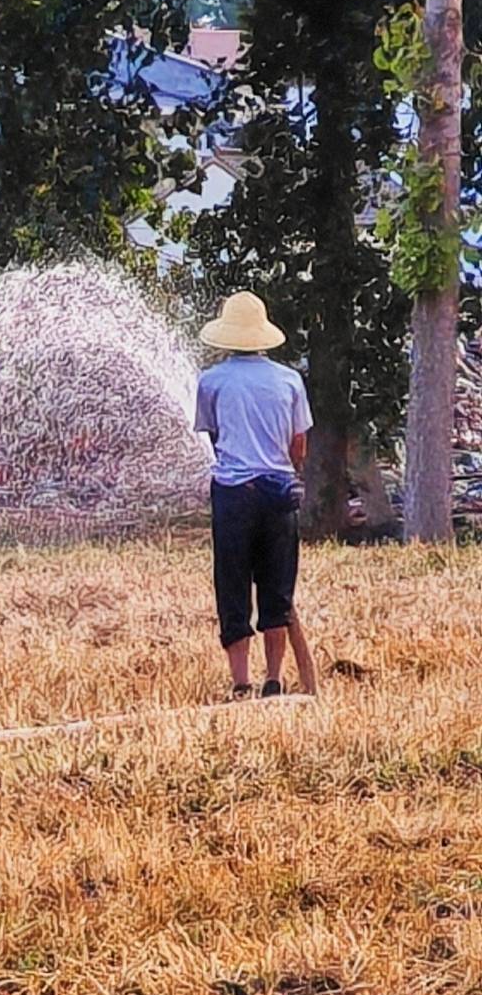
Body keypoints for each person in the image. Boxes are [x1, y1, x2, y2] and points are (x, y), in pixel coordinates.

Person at [194, 292, 313, 699]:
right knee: (277, 588)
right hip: (278, 492)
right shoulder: (289, 380)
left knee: (233, 584)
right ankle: (275, 679)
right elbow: (299, 445)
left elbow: (214, 437)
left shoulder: (211, 382)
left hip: (232, 493)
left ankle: (240, 681)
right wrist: (284, 470)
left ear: (226, 336)